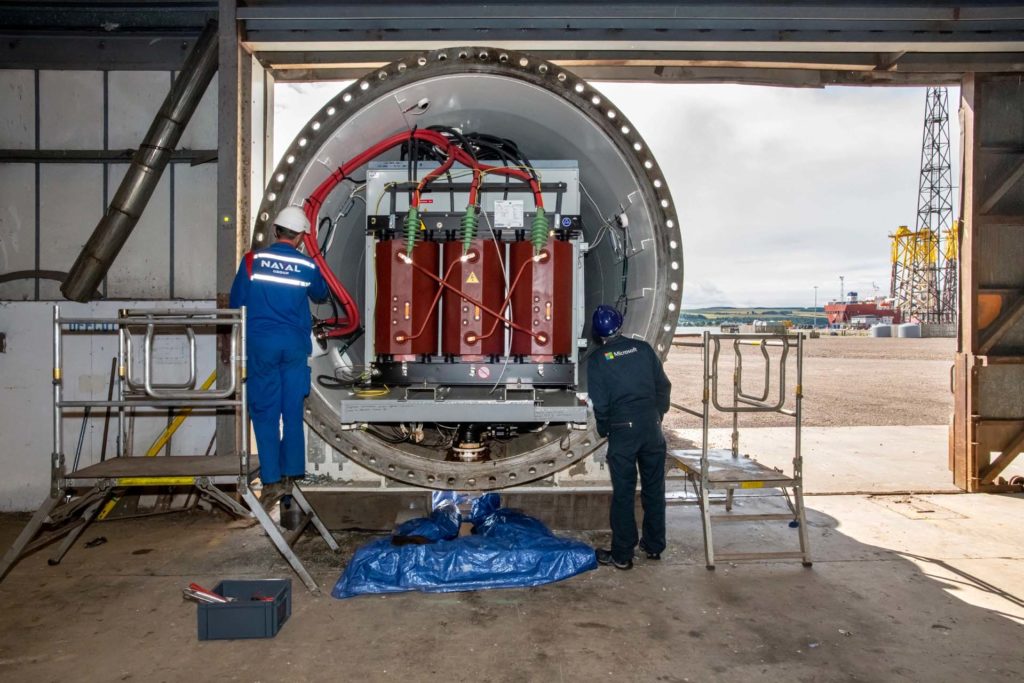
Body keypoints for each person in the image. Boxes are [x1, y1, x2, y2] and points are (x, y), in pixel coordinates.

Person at [229, 206, 329, 508]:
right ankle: (291, 475)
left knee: (265, 412)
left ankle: (271, 480)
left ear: (275, 231)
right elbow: (322, 295)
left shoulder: (252, 262)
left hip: (262, 347)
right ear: (299, 237)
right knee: (292, 412)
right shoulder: (307, 266)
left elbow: (237, 301)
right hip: (294, 346)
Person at [587, 304, 672, 570]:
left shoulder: (599, 359)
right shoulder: (643, 349)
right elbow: (663, 387)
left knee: (624, 493)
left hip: (624, 430)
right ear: (621, 324)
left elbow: (600, 403)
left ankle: (623, 554)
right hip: (651, 427)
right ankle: (654, 545)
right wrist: (656, 414)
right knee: (654, 489)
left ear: (598, 333)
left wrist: (604, 428)